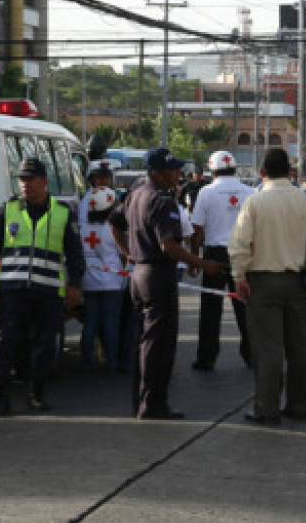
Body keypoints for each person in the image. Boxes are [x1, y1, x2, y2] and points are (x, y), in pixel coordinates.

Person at [111, 147, 222, 420]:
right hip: (157, 276)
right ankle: (153, 405)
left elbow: (114, 222)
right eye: (173, 170)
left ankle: (140, 401)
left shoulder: (136, 193)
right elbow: (169, 246)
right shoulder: (162, 200)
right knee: (158, 345)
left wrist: (127, 252)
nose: (178, 174)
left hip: (139, 274)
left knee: (143, 342)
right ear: (158, 173)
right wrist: (202, 263)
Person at [0, 157, 86, 416]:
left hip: (47, 292)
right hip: (12, 291)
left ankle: (36, 394)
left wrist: (74, 286)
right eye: (22, 180)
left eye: (31, 179)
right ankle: (0, 398)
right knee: (4, 344)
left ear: (44, 182)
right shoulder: (8, 210)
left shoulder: (62, 212)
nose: (25, 185)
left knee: (45, 345)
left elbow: (75, 253)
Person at [228, 147, 306, 427]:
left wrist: (239, 276)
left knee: (268, 348)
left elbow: (240, 244)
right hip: (300, 280)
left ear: (262, 172)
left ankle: (267, 408)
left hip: (263, 281)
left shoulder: (255, 202)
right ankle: (299, 406)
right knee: (300, 348)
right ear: (291, 171)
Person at [189, 150, 256, 372]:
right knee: (245, 307)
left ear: (212, 169)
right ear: (233, 168)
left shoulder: (206, 193)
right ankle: (252, 355)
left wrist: (194, 259)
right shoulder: (250, 192)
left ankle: (206, 358)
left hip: (214, 255)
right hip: (243, 254)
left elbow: (197, 229)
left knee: (210, 309)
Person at [79, 186, 128, 373]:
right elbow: (124, 254)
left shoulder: (83, 229)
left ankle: (86, 362)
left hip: (89, 281)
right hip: (112, 282)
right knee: (111, 323)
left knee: (90, 322)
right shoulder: (113, 229)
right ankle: (112, 362)